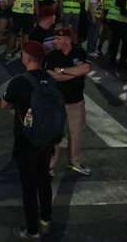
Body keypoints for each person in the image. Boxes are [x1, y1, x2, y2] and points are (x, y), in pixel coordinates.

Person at [1, 41, 57, 240]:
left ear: (26, 58)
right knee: (44, 180)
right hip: (47, 139)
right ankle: (46, 220)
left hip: (26, 141)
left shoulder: (19, 81)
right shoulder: (51, 80)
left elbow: (5, 104)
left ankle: (32, 230)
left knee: (28, 186)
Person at [46, 27, 91, 176]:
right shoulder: (51, 56)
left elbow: (85, 69)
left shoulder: (80, 53)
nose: (55, 41)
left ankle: (75, 162)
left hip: (76, 102)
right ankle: (50, 164)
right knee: (54, 135)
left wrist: (63, 71)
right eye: (55, 38)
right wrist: (74, 72)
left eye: (58, 39)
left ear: (68, 40)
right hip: (57, 102)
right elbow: (52, 76)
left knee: (76, 134)